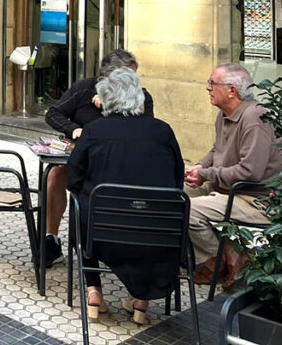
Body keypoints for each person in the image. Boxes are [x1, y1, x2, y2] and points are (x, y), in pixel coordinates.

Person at [67, 68, 183, 324]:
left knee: (82, 205)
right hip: (158, 234)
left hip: (101, 234)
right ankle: (141, 300)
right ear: (138, 98)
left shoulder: (94, 130)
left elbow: (73, 178)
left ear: (107, 99)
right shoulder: (163, 131)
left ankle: (93, 289)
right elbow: (178, 179)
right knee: (145, 213)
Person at [42, 49, 155, 266]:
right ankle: (51, 239)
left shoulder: (140, 97)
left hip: (117, 164)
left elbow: (144, 129)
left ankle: (110, 241)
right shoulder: (83, 89)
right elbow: (53, 113)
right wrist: (73, 130)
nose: (134, 82)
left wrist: (113, 105)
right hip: (81, 159)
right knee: (56, 175)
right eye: (129, 76)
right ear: (108, 77)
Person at [185, 63, 282, 288]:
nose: (207, 88)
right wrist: (199, 167)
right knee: (174, 194)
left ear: (232, 90)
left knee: (188, 209)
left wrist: (206, 173)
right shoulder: (224, 114)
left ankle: (215, 263)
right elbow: (216, 149)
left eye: (212, 83)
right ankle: (226, 250)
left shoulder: (255, 118)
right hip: (229, 188)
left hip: (256, 199)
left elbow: (250, 172)